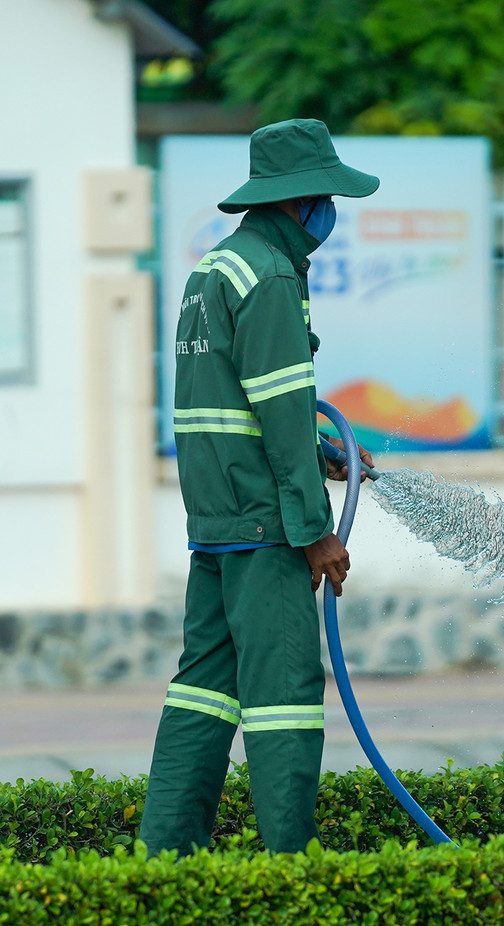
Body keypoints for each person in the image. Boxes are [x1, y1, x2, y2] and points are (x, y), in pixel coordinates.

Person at [139, 119, 379, 855]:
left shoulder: (216, 269)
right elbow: (277, 407)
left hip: (216, 519)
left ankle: (165, 859)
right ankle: (290, 871)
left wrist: (318, 449)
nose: (329, 214)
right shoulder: (271, 276)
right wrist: (315, 531)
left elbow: (246, 403)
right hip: (268, 526)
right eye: (326, 197)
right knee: (285, 698)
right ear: (300, 199)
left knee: (202, 691)